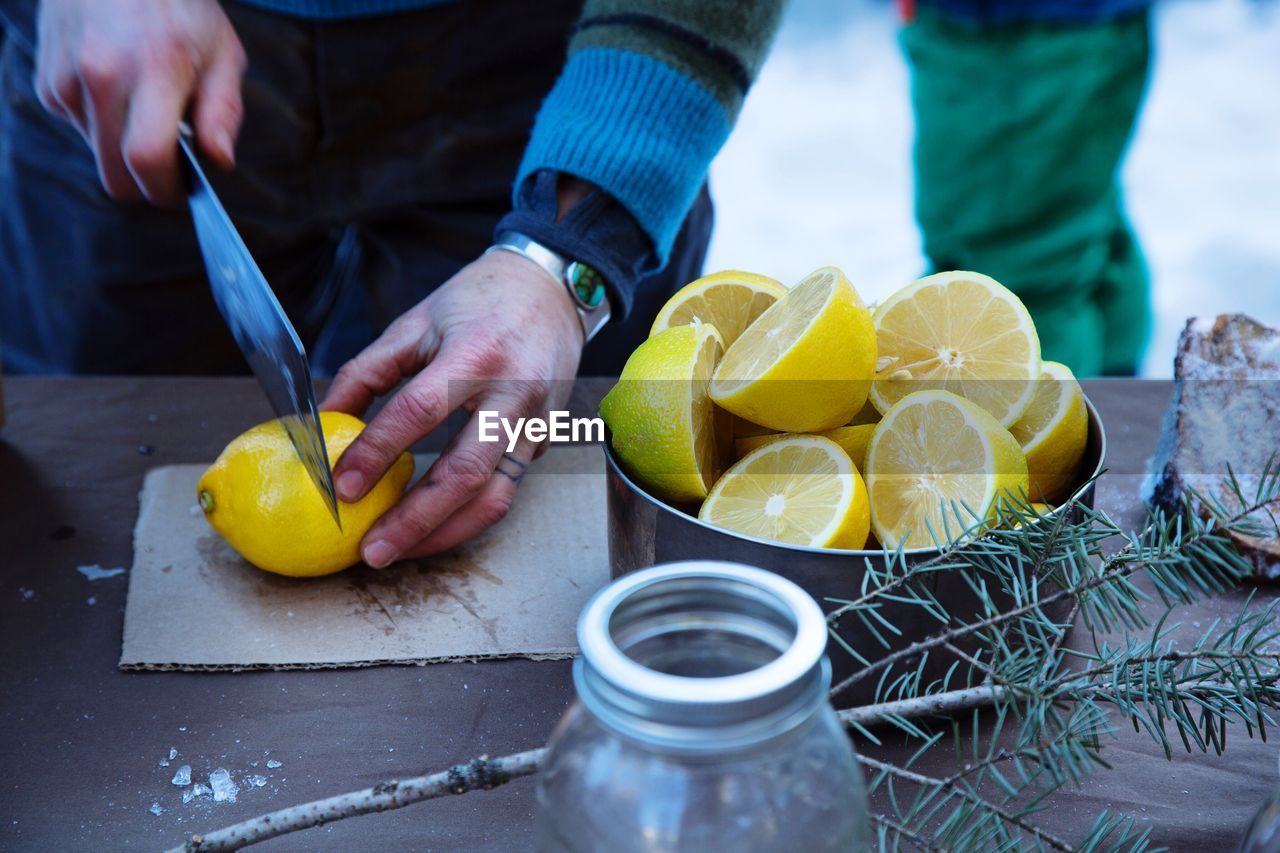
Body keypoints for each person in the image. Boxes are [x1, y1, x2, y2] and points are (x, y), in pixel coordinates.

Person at [0, 0, 785, 565]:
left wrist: (565, 257)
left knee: (566, 478)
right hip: (136, 52)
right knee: (84, 469)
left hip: (560, 65)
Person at [902, 0, 1153, 376]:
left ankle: (1043, 425)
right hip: (1069, 29)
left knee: (1011, 282)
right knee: (1072, 226)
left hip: (1011, 38)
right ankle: (1120, 410)